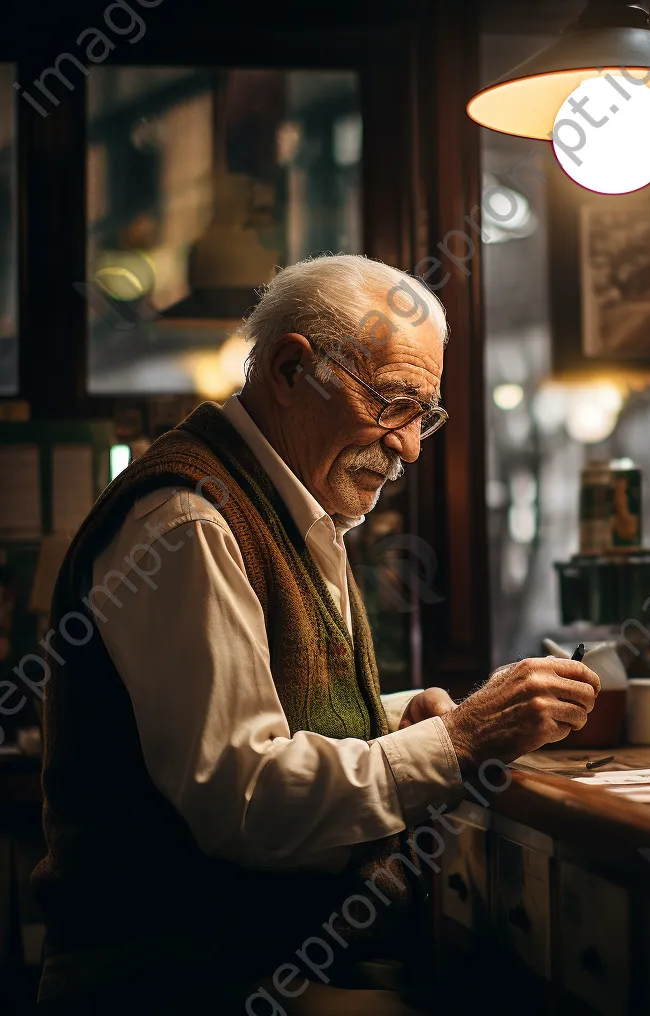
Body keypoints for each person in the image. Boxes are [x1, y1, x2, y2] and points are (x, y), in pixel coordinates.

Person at [33, 255, 598, 1015]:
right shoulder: (188, 522)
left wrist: (393, 719)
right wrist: (459, 740)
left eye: (423, 415)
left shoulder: (290, 504)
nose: (410, 448)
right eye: (395, 404)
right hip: (174, 978)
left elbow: (257, 717)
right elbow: (246, 800)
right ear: (293, 370)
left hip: (266, 961)